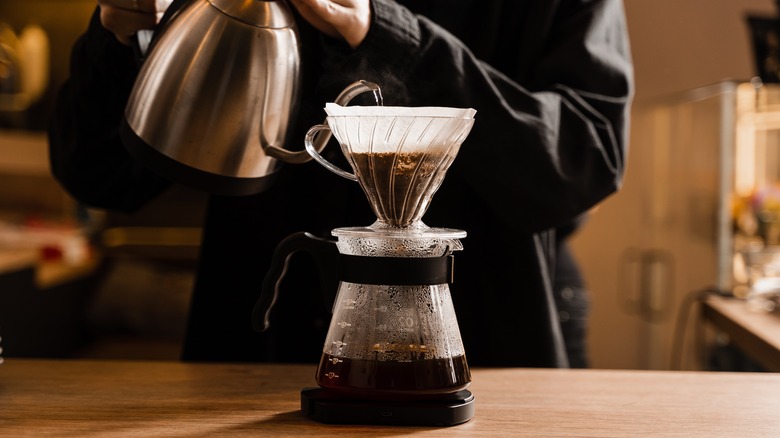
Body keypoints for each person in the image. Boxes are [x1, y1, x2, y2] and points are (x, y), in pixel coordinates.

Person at [49, 0, 633, 367]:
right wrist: (118, 35)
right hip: (262, 341)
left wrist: (389, 36)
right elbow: (101, 177)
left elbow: (584, 158)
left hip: (487, 336)